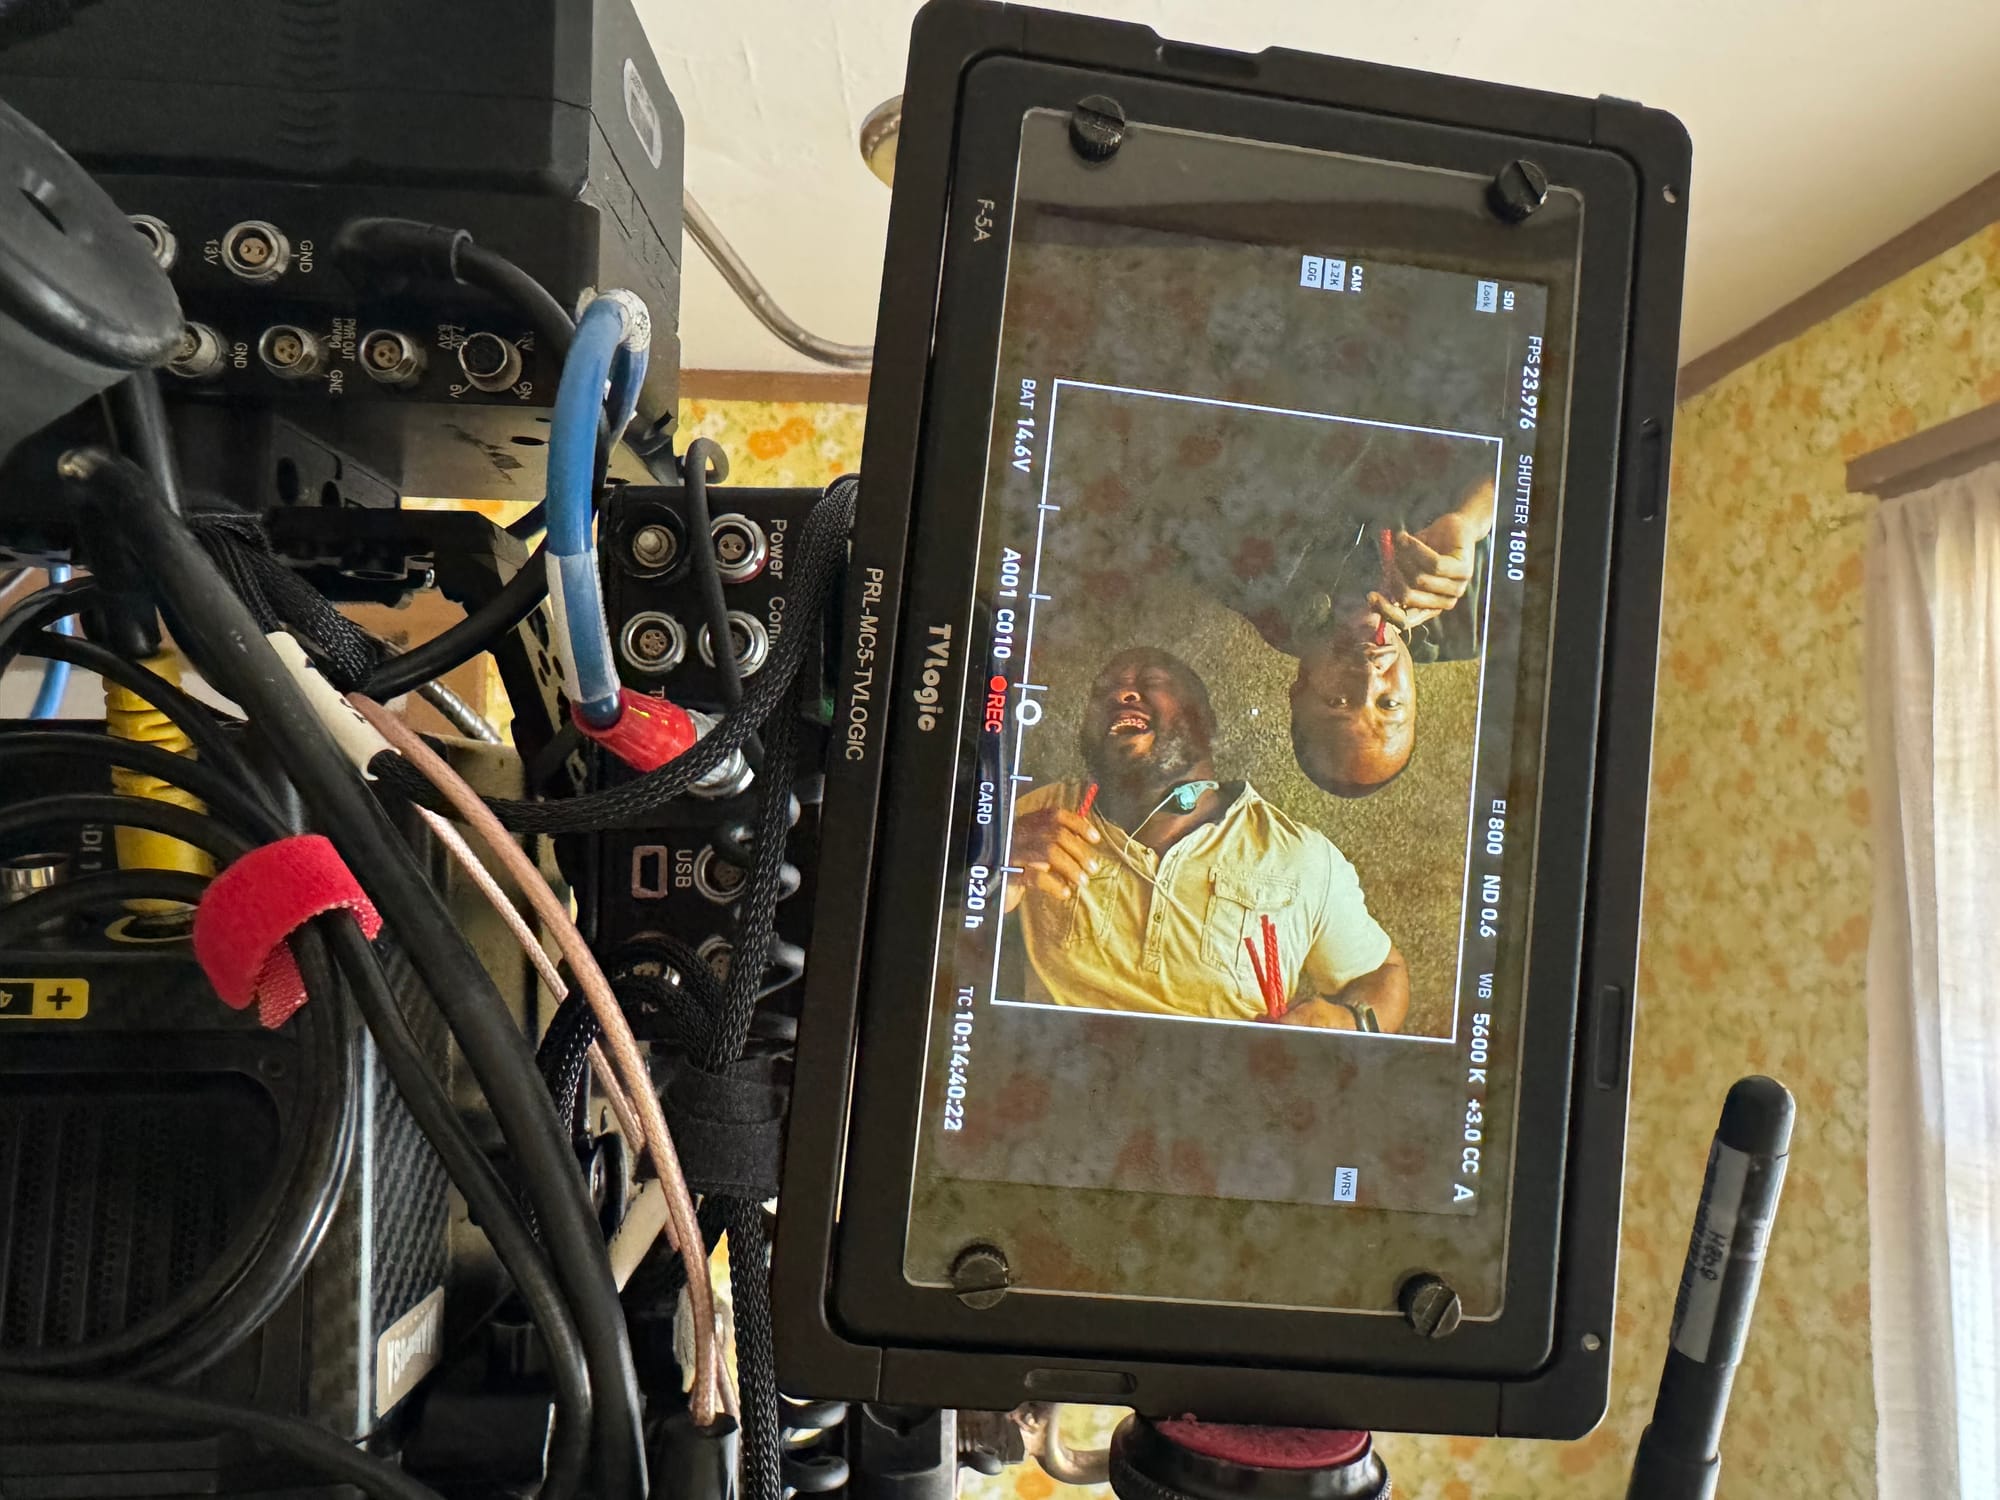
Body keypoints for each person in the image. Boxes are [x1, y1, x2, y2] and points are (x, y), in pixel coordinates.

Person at [1003, 646, 1408, 1030]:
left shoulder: (1300, 856)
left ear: (1204, 721)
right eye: (1102, 691)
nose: (1121, 694)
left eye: (1150, 681)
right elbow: (969, 945)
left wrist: (1350, 1022)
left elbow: (1383, 973)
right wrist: (993, 866)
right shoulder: (1038, 815)